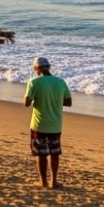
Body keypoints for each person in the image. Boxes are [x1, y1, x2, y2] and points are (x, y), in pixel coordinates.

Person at [24, 56, 72, 189]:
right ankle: (54, 181)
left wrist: (40, 99)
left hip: (39, 124)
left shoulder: (34, 82)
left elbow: (26, 103)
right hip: (55, 124)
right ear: (48, 67)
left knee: (41, 154)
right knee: (55, 153)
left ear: (37, 69)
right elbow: (69, 102)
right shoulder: (60, 82)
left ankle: (43, 181)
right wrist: (54, 101)